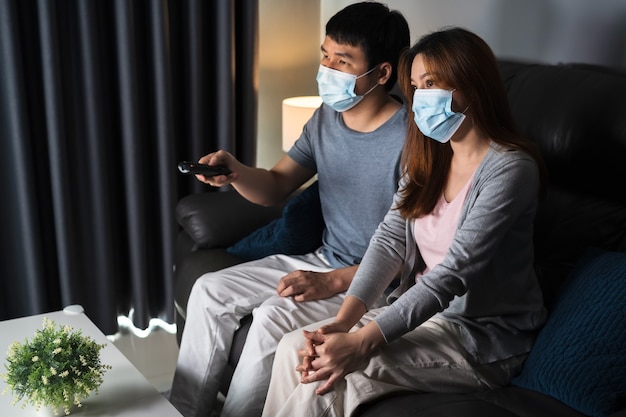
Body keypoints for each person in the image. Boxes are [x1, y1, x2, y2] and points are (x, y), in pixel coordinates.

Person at [262, 27, 548, 417]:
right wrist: (346, 321)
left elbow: (452, 274)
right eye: (415, 87)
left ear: (472, 84)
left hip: (479, 338)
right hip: (421, 316)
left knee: (328, 377)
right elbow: (389, 240)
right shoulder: (430, 157)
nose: (420, 99)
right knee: (296, 347)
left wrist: (363, 342)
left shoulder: (510, 169)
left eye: (431, 83)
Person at [168, 3, 410, 417]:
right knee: (209, 289)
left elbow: (415, 250)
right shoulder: (326, 119)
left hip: (373, 282)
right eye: (326, 54)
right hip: (323, 258)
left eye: (343, 60)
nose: (327, 68)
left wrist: (333, 281)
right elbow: (278, 185)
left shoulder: (411, 140)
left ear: (382, 74)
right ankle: (182, 411)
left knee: (269, 318)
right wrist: (237, 173)